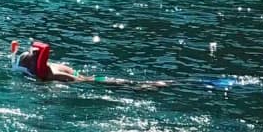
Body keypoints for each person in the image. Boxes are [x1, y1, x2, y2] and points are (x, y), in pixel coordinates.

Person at [11, 40, 170, 87]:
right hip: (67, 71)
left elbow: (83, 80)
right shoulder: (44, 63)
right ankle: (139, 84)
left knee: (92, 79)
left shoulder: (52, 74)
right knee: (88, 77)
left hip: (68, 76)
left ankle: (137, 84)